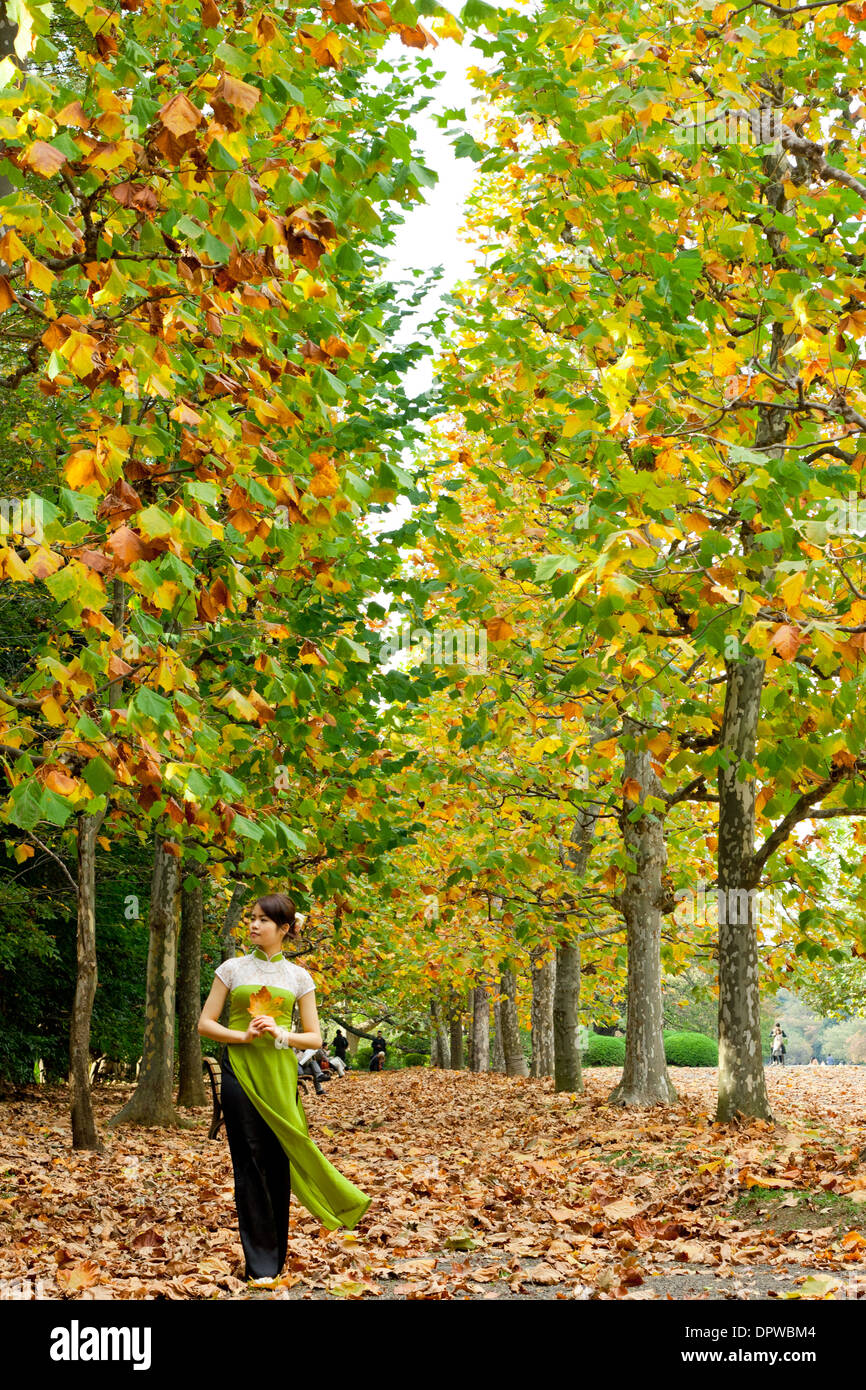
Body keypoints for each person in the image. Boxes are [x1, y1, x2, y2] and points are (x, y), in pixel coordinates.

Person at [198, 893, 372, 1286]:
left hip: (279, 1072)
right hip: (238, 1070)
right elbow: (205, 1024)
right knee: (248, 1160)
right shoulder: (232, 969)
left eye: (263, 920)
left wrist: (281, 1033)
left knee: (279, 1159)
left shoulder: (298, 977)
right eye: (252, 918)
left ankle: (278, 1256)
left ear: (285, 929)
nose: (254, 925)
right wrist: (242, 1035)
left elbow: (313, 1039)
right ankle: (259, 1265)